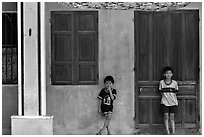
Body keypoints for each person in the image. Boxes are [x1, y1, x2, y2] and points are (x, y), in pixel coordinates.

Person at [159, 66, 179, 135]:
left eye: (170, 73)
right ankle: (167, 132)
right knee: (166, 116)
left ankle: (173, 132)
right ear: (164, 74)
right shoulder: (161, 82)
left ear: (172, 74)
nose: (168, 75)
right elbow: (161, 92)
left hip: (173, 102)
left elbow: (175, 92)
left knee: (172, 117)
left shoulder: (175, 83)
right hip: (164, 102)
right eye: (167, 73)